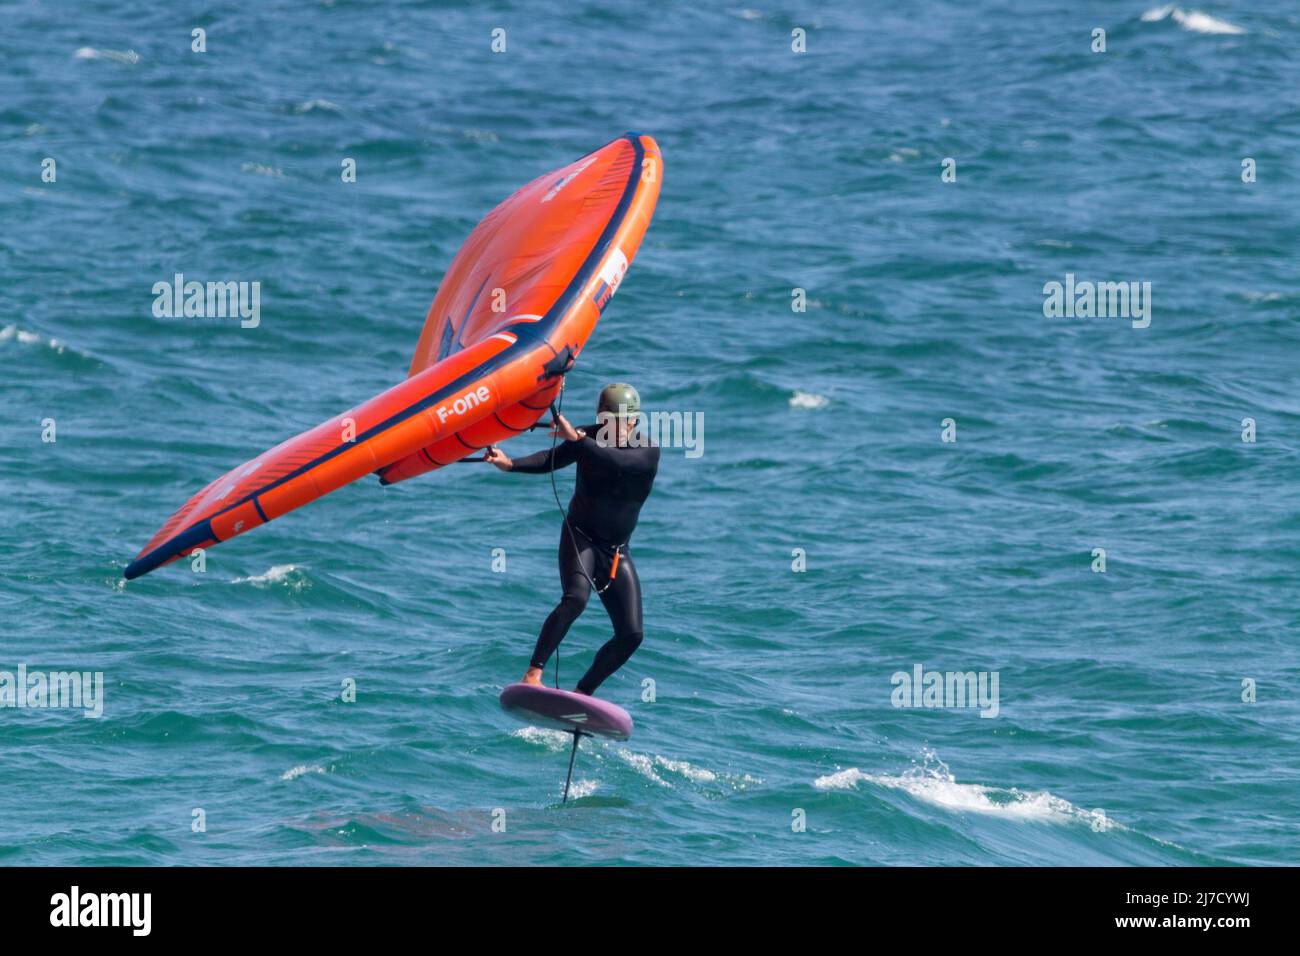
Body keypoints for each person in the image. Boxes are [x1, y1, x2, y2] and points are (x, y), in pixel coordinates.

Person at [486, 383, 659, 695]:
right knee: (576, 599)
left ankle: (582, 694)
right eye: (607, 420)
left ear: (634, 422)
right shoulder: (585, 438)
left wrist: (579, 440)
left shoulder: (647, 452)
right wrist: (510, 464)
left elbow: (619, 464)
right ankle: (532, 674)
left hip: (616, 552)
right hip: (580, 537)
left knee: (632, 634)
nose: (614, 428)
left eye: (622, 422)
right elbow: (551, 459)